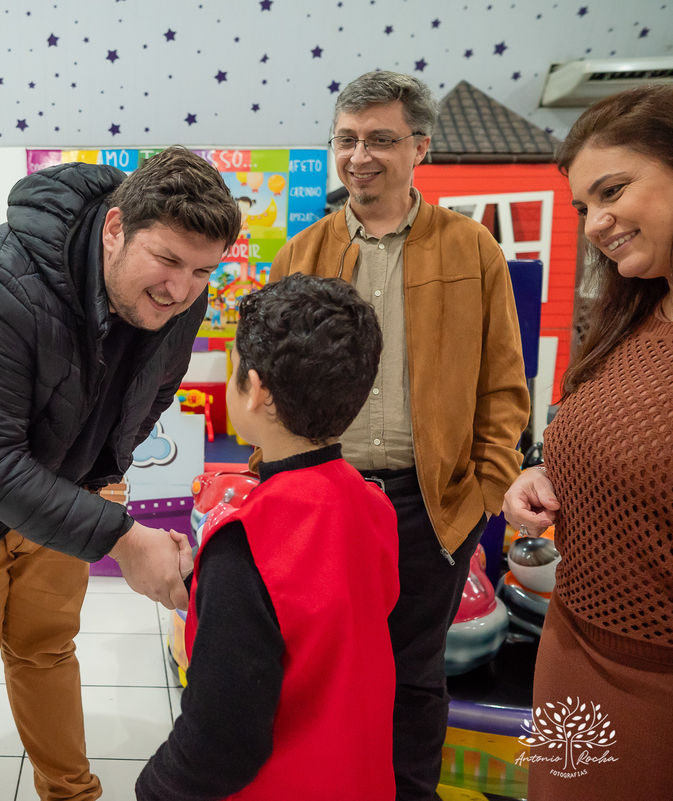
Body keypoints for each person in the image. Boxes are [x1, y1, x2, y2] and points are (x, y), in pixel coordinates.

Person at [0, 147, 240, 801]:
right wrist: (121, 537)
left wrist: (100, 485)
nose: (181, 288)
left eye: (202, 270)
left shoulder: (181, 301)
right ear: (116, 227)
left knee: (46, 650)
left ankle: (71, 793)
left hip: (60, 491)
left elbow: (146, 398)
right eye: (169, 260)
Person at [262, 71, 531, 800]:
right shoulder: (301, 252)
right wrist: (272, 488)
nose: (360, 155)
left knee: (414, 677)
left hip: (429, 506)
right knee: (316, 668)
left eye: (381, 139)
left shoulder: (471, 249)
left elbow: (506, 384)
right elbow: (265, 381)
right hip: (323, 500)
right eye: (347, 139)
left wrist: (484, 489)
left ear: (420, 146)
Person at [137, 274, 399, 800]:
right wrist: (206, 588)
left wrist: (155, 787)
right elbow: (315, 626)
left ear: (257, 391)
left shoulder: (248, 541)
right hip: (361, 777)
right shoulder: (372, 505)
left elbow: (221, 741)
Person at [502, 85, 673, 800]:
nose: (597, 222)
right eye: (583, 207)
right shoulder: (634, 314)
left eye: (614, 190)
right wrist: (536, 478)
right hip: (574, 645)